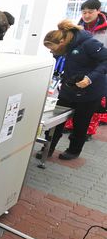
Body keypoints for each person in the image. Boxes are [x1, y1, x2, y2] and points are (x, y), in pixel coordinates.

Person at [40, 20, 107, 160]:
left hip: (90, 90)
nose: (51, 51)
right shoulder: (66, 47)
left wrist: (90, 78)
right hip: (69, 87)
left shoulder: (88, 44)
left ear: (62, 42)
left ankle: (74, 151)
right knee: (56, 120)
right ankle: (48, 147)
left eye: (52, 48)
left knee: (80, 122)